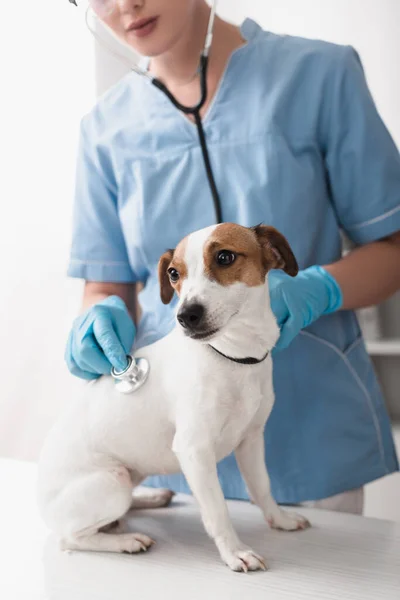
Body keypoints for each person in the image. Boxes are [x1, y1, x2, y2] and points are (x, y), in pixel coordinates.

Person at [66, 0, 400, 515]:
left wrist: (318, 288)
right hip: (167, 450)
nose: (124, 5)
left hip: (312, 441)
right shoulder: (104, 130)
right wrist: (99, 316)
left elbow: (391, 249)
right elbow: (107, 282)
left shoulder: (320, 76)